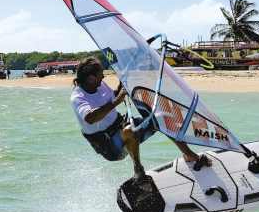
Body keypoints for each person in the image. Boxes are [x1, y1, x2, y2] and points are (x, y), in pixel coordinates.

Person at [70, 57, 205, 180]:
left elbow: (113, 97)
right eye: (100, 74)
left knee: (161, 118)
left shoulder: (100, 86)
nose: (103, 77)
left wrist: (120, 87)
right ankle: (138, 170)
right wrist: (117, 101)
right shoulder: (78, 97)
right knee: (130, 131)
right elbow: (90, 118)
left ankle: (189, 155)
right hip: (110, 147)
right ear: (90, 78)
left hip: (122, 128)